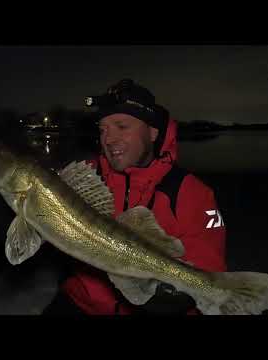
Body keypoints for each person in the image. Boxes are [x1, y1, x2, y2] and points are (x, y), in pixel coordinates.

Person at [42, 79, 226, 316]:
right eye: (103, 129)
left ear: (152, 132)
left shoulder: (192, 194)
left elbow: (209, 274)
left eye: (121, 126)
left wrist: (163, 297)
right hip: (82, 305)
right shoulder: (82, 177)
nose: (108, 139)